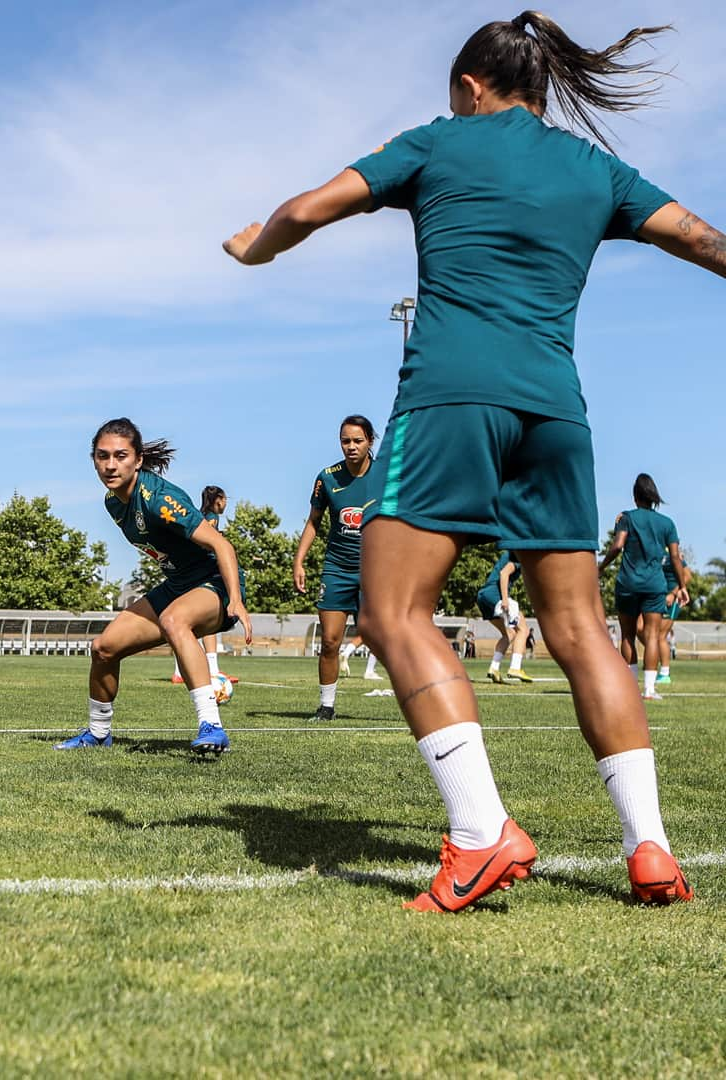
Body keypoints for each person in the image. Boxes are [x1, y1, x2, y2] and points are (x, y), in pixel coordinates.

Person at [223, 12, 721, 909]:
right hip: (558, 414)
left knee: (392, 611)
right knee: (578, 631)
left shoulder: (437, 141)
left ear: (468, 87)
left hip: (452, 399)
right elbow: (701, 239)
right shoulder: (596, 167)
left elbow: (303, 210)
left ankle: (480, 831)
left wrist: (253, 246)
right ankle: (649, 850)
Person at [56, 419, 252, 755]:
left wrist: (236, 599)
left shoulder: (159, 499)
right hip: (177, 586)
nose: (111, 464)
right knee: (103, 648)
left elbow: (223, 546)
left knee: (174, 620)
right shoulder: (113, 503)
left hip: (212, 584)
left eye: (120, 455)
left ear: (138, 460)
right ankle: (99, 733)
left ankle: (212, 727)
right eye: (103, 456)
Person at [292, 416, 378, 722]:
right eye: (346, 441)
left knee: (383, 637)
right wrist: (299, 560)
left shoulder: (386, 476)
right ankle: (326, 706)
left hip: (376, 571)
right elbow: (313, 522)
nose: (351, 447)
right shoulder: (327, 478)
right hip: (337, 569)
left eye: (358, 440)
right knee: (330, 640)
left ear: (371, 441)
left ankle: (414, 705)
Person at [600, 474, 688, 702]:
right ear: (653, 497)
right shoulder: (667, 524)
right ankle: (649, 690)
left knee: (627, 636)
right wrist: (682, 586)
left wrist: (600, 567)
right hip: (654, 585)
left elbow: (617, 546)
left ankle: (630, 689)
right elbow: (676, 558)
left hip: (627, 583)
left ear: (635, 496)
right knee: (651, 637)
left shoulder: (626, 518)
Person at [171, 485, 235, 684]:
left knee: (186, 625)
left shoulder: (199, 516)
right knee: (209, 622)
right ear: (219, 500)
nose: (226, 504)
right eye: (225, 499)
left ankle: (179, 671)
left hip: (187, 571)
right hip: (202, 573)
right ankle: (213, 671)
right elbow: (209, 545)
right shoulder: (212, 518)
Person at [475, 552, 534, 683]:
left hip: (483, 596)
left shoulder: (509, 552)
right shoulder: (518, 556)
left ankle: (493, 668)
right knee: (523, 629)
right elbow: (504, 573)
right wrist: (505, 600)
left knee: (509, 634)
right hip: (494, 595)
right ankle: (515, 667)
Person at [653, 551, 690, 686]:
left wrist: (673, 593)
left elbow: (687, 576)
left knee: (660, 636)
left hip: (671, 600)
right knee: (644, 631)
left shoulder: (673, 554)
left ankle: (664, 673)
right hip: (656, 597)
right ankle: (653, 661)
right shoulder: (654, 551)